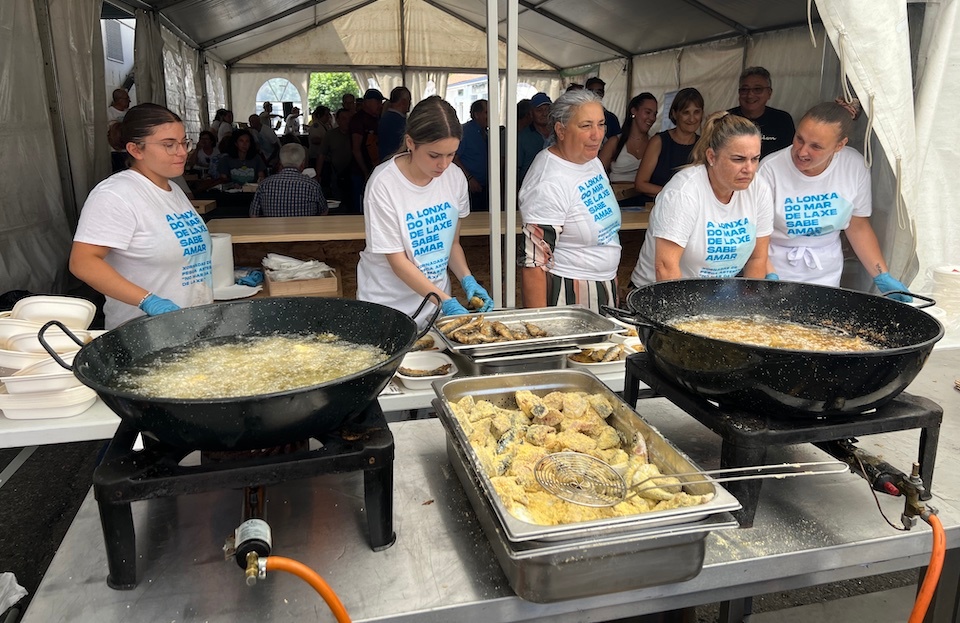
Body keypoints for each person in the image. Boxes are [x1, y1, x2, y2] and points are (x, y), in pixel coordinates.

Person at [70, 103, 213, 330]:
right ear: (136, 150)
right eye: (169, 145)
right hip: (143, 334)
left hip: (190, 326)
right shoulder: (116, 194)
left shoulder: (174, 191)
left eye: (184, 142)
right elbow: (83, 262)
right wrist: (148, 300)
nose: (183, 152)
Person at [357, 96, 494, 328]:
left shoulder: (455, 178)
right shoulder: (384, 183)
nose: (443, 164)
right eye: (434, 155)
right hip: (389, 306)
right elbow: (398, 262)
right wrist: (446, 301)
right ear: (410, 142)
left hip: (435, 305)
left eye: (451, 155)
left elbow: (451, 244)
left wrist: (467, 278)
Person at [758, 100, 911, 300]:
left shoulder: (854, 166)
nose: (802, 152)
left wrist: (882, 275)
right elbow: (757, 233)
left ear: (839, 145)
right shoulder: (770, 169)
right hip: (776, 265)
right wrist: (768, 275)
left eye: (816, 146)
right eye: (799, 139)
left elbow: (858, 226)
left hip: (826, 272)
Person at [630, 112, 772, 286]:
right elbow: (666, 267)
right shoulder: (684, 192)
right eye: (738, 159)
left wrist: (750, 308)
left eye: (755, 159)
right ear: (711, 157)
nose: (749, 169)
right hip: (662, 293)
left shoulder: (759, 188)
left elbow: (758, 258)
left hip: (716, 295)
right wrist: (689, 314)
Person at [518, 89, 622, 311]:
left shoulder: (591, 161)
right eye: (586, 126)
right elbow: (533, 264)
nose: (597, 134)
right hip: (570, 295)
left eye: (601, 124)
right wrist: (542, 333)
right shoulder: (548, 180)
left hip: (604, 286)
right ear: (561, 130)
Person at [634, 87, 704, 204]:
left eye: (696, 112)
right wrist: (675, 194)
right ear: (674, 114)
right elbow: (640, 184)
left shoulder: (704, 145)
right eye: (686, 112)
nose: (692, 119)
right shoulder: (659, 141)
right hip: (655, 208)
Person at [728, 67, 796, 160]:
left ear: (769, 93)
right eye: (745, 90)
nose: (750, 95)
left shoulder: (782, 120)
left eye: (757, 89)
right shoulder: (727, 119)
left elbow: (789, 155)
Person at [249, 143, 327, 217]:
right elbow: (323, 212)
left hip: (272, 230)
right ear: (302, 164)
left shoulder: (264, 184)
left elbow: (253, 214)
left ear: (280, 163)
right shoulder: (312, 185)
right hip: (305, 230)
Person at [608, 93, 658, 208]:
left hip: (645, 202)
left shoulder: (655, 143)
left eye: (655, 114)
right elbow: (597, 173)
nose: (652, 118)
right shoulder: (614, 142)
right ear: (633, 111)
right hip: (616, 201)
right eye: (648, 112)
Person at [350, 88, 386, 210]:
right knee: (361, 205)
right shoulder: (358, 120)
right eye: (378, 102)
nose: (380, 105)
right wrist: (365, 171)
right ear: (368, 102)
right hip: (360, 171)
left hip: (374, 168)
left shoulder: (377, 119)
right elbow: (356, 149)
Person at [455, 99, 489, 212]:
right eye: (486, 112)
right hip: (470, 188)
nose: (490, 115)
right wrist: (469, 179)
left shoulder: (487, 132)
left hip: (486, 187)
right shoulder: (464, 132)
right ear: (476, 114)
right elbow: (454, 158)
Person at [318, 108, 356, 211]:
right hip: (336, 173)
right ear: (338, 120)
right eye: (344, 119)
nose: (347, 121)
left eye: (349, 118)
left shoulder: (356, 135)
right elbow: (322, 154)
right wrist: (318, 174)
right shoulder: (330, 135)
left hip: (353, 173)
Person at [585, 77, 623, 171]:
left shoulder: (611, 118)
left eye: (599, 91)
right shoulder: (580, 116)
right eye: (592, 91)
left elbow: (618, 144)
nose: (596, 94)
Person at [518, 92, 552, 184]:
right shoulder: (522, 137)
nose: (545, 114)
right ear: (531, 113)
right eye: (539, 110)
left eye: (548, 109)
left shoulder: (559, 133)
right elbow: (515, 169)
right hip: (530, 188)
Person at [377, 86, 412, 160]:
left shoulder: (385, 117)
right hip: (394, 161)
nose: (410, 104)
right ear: (403, 102)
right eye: (409, 100)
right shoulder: (397, 121)